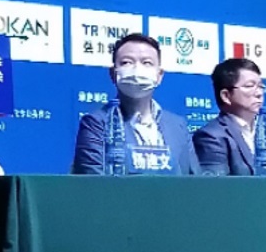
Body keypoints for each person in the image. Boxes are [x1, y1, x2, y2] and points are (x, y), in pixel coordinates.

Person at [72, 33, 199, 175]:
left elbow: (195, 181)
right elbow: (92, 182)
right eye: (126, 62)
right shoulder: (97, 124)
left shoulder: (178, 126)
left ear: (159, 75)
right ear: (113, 74)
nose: (137, 69)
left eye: (147, 63)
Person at [194, 57, 266, 175]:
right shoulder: (211, 137)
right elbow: (215, 184)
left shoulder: (264, 135)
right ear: (226, 96)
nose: (259, 93)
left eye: (261, 87)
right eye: (249, 86)